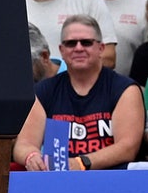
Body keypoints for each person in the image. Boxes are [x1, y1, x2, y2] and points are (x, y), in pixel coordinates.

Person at [14, 15, 144, 170]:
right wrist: (31, 156)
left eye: (86, 42)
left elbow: (127, 148)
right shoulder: (43, 91)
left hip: (113, 183)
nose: (78, 48)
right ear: (61, 50)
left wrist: (82, 163)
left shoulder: (125, 89)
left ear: (101, 48)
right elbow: (23, 144)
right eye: (70, 43)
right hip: (58, 181)